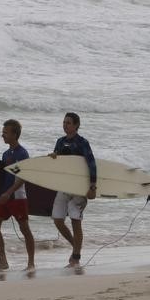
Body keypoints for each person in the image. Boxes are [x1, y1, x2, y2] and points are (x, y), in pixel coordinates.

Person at [49, 112, 97, 268]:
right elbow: (58, 165)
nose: (65, 125)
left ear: (76, 125)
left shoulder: (82, 143)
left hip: (79, 187)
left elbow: (91, 164)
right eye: (64, 122)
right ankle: (75, 245)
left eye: (68, 123)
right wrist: (53, 157)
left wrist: (92, 187)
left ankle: (75, 257)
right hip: (64, 185)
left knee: (76, 221)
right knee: (57, 219)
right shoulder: (60, 142)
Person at [0, 119, 35, 272]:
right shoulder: (6, 154)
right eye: (3, 132)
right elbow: (5, 177)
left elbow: (23, 177)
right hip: (5, 197)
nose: (2, 135)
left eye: (5, 132)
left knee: (25, 229)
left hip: (17, 197)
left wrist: (9, 193)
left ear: (14, 134)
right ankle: (3, 262)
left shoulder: (22, 153)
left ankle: (31, 264)